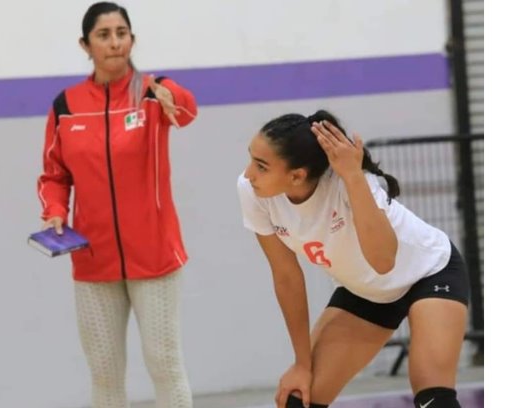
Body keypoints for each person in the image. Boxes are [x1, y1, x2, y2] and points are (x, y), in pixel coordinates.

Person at [236, 110, 470, 408]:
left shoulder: (353, 183)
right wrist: (301, 364)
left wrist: (353, 176)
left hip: (429, 274)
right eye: (251, 159)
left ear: (297, 175)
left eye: (261, 166)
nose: (248, 174)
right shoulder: (252, 192)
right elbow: (286, 277)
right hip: (366, 292)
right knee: (298, 401)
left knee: (434, 400)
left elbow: (384, 262)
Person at [36, 3, 197, 407]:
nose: (114, 42)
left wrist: (167, 92)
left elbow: (188, 110)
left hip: (155, 255)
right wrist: (55, 211)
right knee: (105, 374)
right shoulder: (65, 105)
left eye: (122, 33)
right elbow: (55, 175)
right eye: (104, 35)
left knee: (165, 364)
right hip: (93, 260)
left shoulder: (152, 93)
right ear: (85, 45)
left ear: (132, 39)